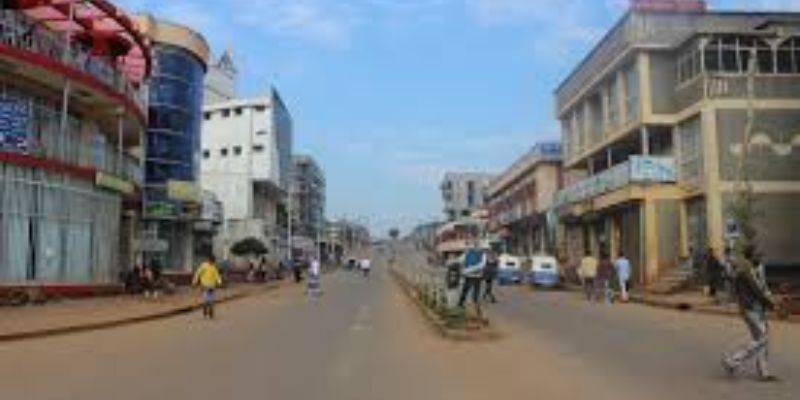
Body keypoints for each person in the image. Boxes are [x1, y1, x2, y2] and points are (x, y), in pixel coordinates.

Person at [722, 246, 778, 381]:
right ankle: (732, 360)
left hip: (759, 308)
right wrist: (771, 304)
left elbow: (763, 286)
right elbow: (756, 290)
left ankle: (764, 372)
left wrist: (771, 297)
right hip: (749, 309)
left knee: (762, 339)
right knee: (762, 338)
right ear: (750, 256)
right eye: (758, 255)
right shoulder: (744, 271)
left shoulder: (759, 267)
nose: (760, 258)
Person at [193, 255, 223, 320]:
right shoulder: (203, 266)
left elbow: (217, 275)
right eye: (211, 260)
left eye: (213, 261)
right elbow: (198, 273)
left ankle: (211, 311)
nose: (212, 262)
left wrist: (220, 282)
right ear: (208, 260)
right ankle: (205, 309)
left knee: (211, 300)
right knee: (206, 299)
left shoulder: (214, 267)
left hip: (212, 286)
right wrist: (194, 281)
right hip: (204, 285)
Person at [458, 242, 486, 309]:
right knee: (472, 290)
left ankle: (462, 303)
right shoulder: (481, 254)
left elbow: (460, 260)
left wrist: (466, 270)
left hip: (470, 275)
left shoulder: (468, 253)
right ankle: (472, 304)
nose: (477, 248)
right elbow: (482, 265)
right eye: (477, 246)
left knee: (466, 290)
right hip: (476, 275)